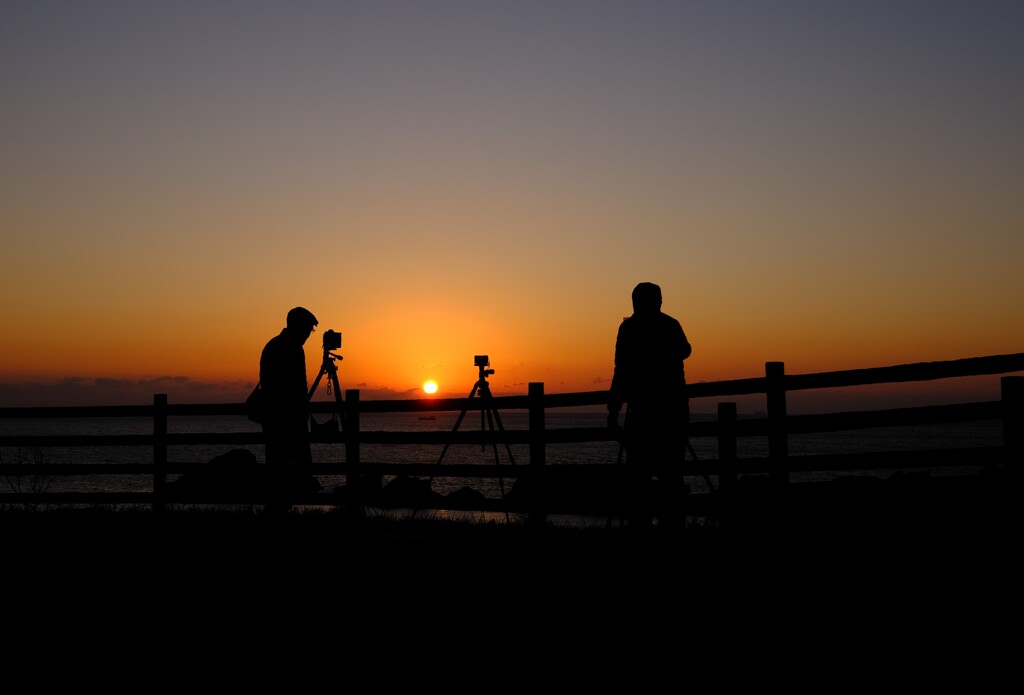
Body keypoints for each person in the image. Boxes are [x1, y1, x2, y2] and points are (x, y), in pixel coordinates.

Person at [607, 282, 692, 529]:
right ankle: (671, 525)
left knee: (641, 473)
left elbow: (620, 370)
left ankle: (641, 526)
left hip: (643, 411)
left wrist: (614, 409)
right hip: (672, 409)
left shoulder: (629, 328)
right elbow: (685, 350)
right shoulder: (670, 325)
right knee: (671, 472)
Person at [260, 306, 319, 511]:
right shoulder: (293, 348)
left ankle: (277, 511)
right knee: (289, 469)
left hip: (272, 418)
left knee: (276, 470)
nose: (308, 335)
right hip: (288, 419)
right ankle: (281, 513)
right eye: (309, 329)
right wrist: (303, 413)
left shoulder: (273, 345)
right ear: (299, 327)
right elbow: (297, 388)